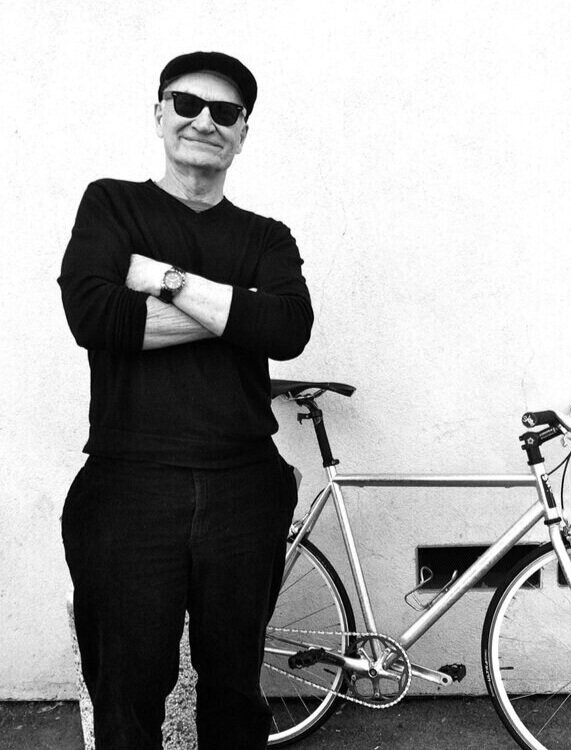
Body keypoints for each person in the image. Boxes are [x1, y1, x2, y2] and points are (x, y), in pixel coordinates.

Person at [58, 51, 313, 749]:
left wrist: (165, 281)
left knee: (235, 691)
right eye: (187, 103)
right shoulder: (112, 204)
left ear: (242, 133)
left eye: (224, 112)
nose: (204, 121)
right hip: (129, 485)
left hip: (243, 486)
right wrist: (239, 311)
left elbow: (288, 329)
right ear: (159, 114)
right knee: (126, 691)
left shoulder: (265, 235)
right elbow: (95, 317)